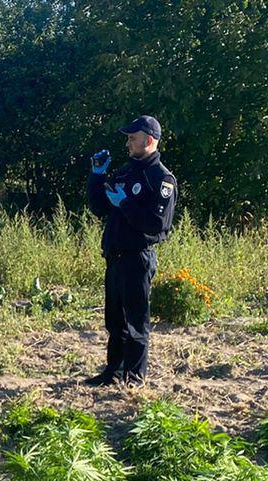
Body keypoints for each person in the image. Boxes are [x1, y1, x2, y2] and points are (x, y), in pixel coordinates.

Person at [84, 115, 178, 387]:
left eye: (132, 138)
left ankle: (135, 379)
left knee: (137, 322)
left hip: (138, 257)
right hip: (115, 255)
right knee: (115, 322)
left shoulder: (161, 179)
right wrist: (97, 176)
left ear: (148, 141)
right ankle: (113, 373)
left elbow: (157, 224)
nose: (128, 143)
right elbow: (100, 208)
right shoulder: (126, 172)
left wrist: (125, 204)